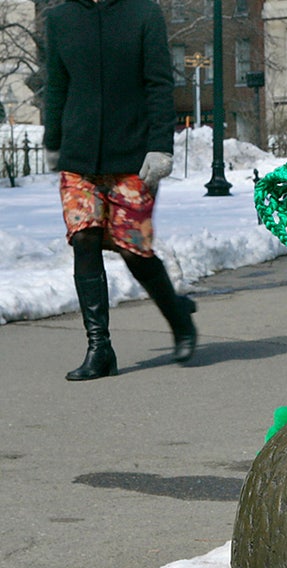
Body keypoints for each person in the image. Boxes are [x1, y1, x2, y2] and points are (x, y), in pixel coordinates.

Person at [43, 0, 197, 381]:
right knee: (84, 239)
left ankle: (179, 319)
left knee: (133, 249)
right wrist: (53, 140)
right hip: (79, 157)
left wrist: (161, 145)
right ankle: (100, 348)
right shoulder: (60, 18)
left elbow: (159, 84)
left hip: (132, 154)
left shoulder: (142, 13)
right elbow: (57, 83)